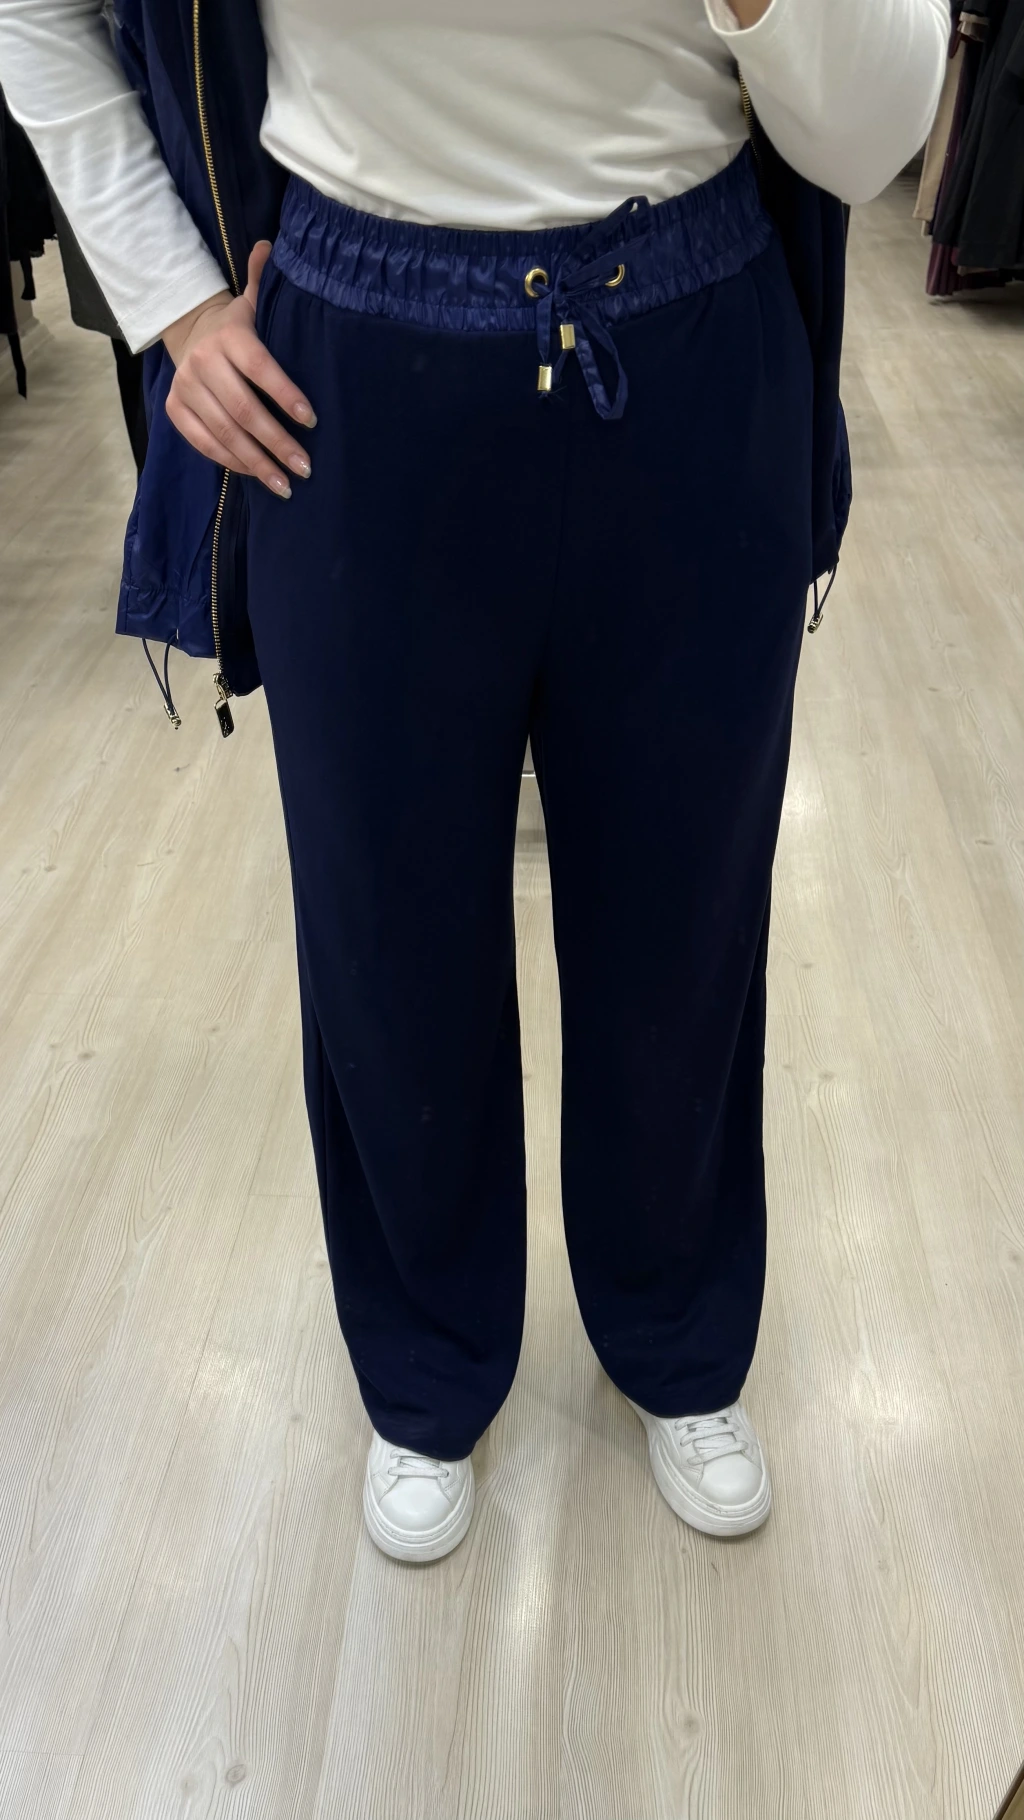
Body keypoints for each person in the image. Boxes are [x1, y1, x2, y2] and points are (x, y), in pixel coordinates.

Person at [0, 0, 946, 1564]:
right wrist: (171, 301)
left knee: (687, 919)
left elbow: (870, 134)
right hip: (354, 371)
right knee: (384, 929)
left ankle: (677, 1329)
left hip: (690, 346)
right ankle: (427, 1361)